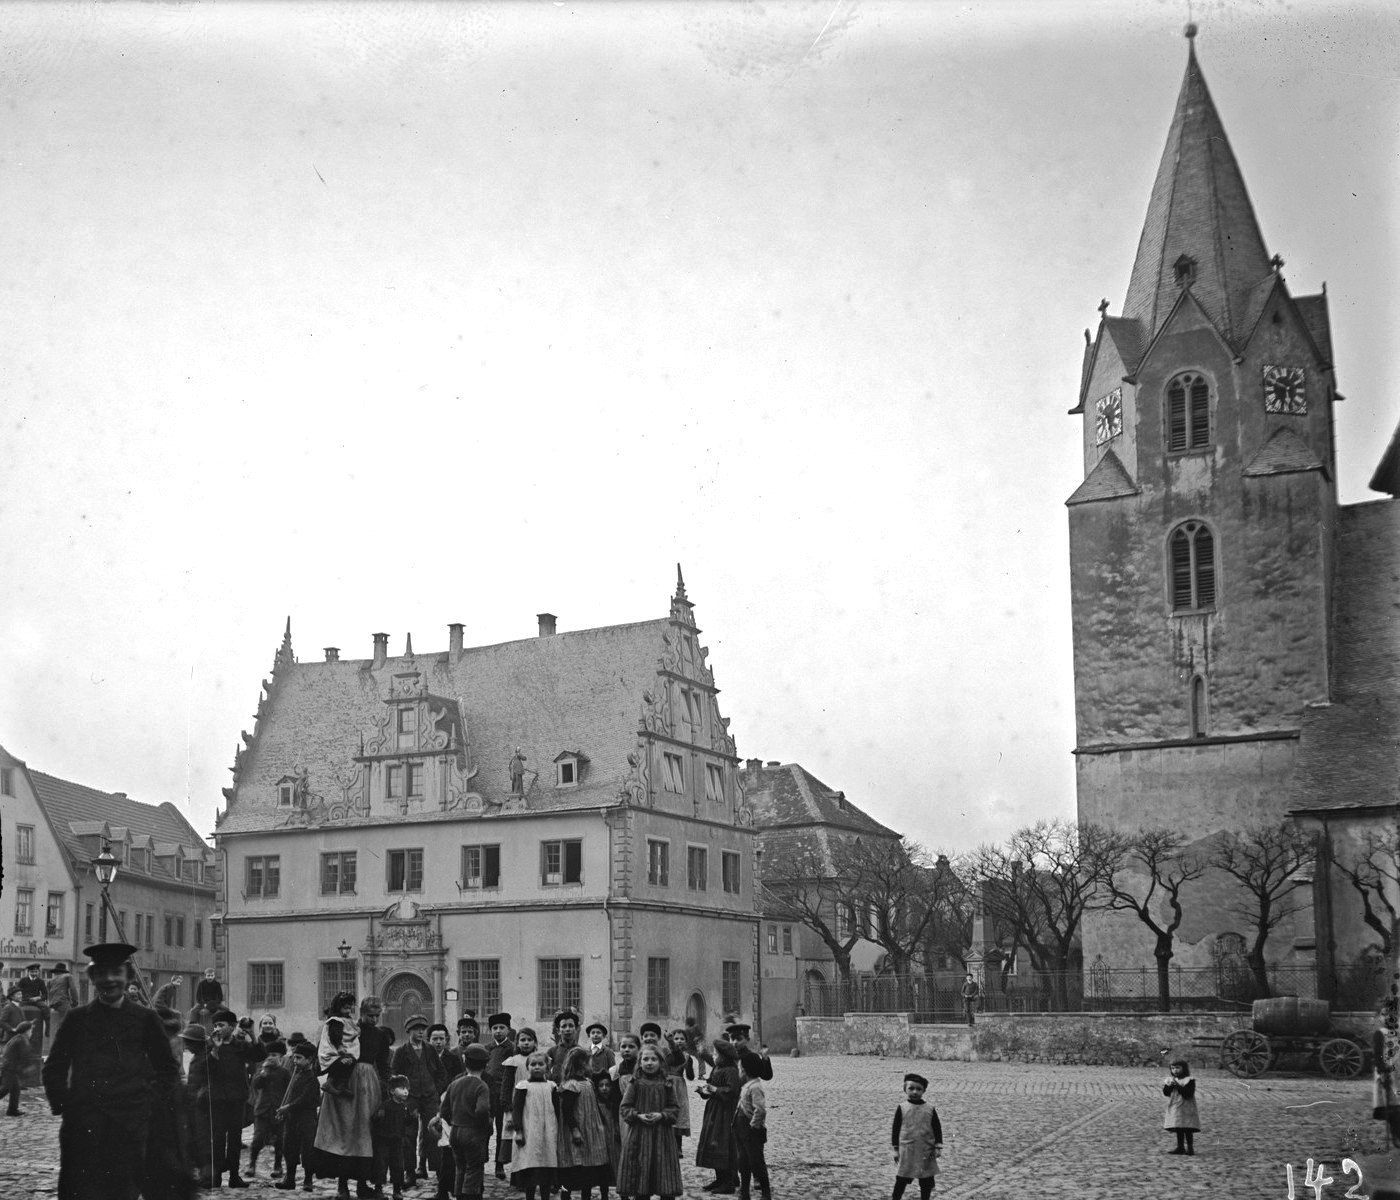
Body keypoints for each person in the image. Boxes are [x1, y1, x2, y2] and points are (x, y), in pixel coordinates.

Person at [41, 942, 181, 1200]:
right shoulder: (77, 1018)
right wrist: (64, 1105)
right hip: (83, 1126)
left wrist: (146, 1104)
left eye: (116, 972)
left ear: (127, 977)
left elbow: (168, 1069)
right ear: (93, 977)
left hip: (128, 1126)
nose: (109, 980)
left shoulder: (144, 1019)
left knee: (121, 1191)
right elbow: (54, 1066)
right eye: (102, 973)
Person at [315, 993, 392, 1200]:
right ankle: (342, 1186)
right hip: (345, 1083)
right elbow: (332, 1047)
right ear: (362, 1012)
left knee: (364, 1133)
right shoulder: (349, 1028)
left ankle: (361, 1185)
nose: (373, 1020)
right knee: (344, 1132)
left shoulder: (380, 1035)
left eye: (377, 1016)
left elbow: (384, 1065)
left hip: (368, 1086)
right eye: (369, 1015)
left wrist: (385, 1089)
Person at [191, 1008, 256, 1188]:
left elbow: (258, 1056)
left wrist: (253, 1038)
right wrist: (215, 1051)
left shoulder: (240, 1045)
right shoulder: (209, 1045)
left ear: (233, 1026)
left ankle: (235, 1176)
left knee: (235, 1138)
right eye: (216, 1025)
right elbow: (202, 1069)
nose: (218, 1028)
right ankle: (217, 1176)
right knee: (218, 1138)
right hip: (217, 1099)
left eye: (222, 1025)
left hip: (237, 1098)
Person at [618, 1043, 682, 1200]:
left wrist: (662, 1115)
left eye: (654, 1059)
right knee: (641, 1181)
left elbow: (674, 1108)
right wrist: (638, 1116)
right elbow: (625, 1108)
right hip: (639, 1138)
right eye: (645, 1059)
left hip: (663, 1138)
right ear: (640, 1063)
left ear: (660, 1062)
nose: (649, 1062)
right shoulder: (635, 1083)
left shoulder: (667, 1084)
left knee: (665, 1180)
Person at [390, 1013, 445, 1187]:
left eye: (423, 1029)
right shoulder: (401, 1052)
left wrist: (436, 1091)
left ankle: (438, 1171)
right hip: (410, 1099)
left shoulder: (429, 1050)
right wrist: (402, 1096)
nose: (420, 1032)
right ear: (408, 1031)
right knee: (409, 1136)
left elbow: (441, 1073)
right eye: (416, 1029)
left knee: (433, 1133)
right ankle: (410, 1172)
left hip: (429, 1098)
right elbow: (394, 1076)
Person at [436, 1043, 492, 1200]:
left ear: (465, 1062)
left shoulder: (455, 1083)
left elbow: (444, 1110)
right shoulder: (482, 1086)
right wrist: (484, 1125)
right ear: (486, 1065)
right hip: (473, 1132)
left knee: (460, 1167)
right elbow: (482, 1110)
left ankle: (458, 1194)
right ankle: (470, 1196)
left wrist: (454, 1121)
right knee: (474, 1168)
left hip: (456, 1131)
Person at [556, 1045, 612, 1200]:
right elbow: (567, 1110)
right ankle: (565, 1194)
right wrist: (574, 1130)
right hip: (578, 1131)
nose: (590, 1065)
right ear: (580, 1064)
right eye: (588, 1062)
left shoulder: (588, 1082)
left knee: (590, 1167)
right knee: (573, 1168)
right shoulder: (571, 1085)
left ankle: (586, 1196)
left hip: (591, 1131)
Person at [510, 1050, 559, 1200]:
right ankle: (529, 1196)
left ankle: (545, 1196)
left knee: (546, 1165)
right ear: (527, 1067)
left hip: (548, 1133)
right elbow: (516, 1110)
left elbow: (557, 1110)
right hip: (529, 1131)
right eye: (533, 1064)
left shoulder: (551, 1086)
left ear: (547, 1067)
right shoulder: (523, 1086)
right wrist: (518, 1131)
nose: (537, 1067)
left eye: (540, 1064)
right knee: (530, 1167)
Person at [696, 1038, 740, 1193]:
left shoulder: (731, 1071)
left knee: (723, 1144)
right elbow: (711, 1085)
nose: (713, 1057)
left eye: (716, 1054)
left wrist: (715, 1090)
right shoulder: (716, 1069)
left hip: (725, 1114)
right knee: (713, 1144)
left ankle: (729, 1182)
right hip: (713, 1112)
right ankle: (720, 1178)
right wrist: (704, 1091)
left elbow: (733, 1091)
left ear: (724, 1056)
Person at [277, 1039, 322, 1192]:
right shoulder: (295, 1076)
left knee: (307, 1151)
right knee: (289, 1148)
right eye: (294, 1057)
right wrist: (285, 1111)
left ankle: (308, 1181)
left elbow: (305, 1099)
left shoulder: (312, 1079)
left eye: (299, 1058)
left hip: (306, 1120)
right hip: (292, 1119)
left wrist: (287, 1107)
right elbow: (289, 1095)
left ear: (309, 1060)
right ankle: (289, 1179)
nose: (294, 1061)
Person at [892, 1072, 942, 1200]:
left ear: (924, 1091)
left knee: (926, 1179)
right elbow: (896, 1129)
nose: (915, 1092)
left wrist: (938, 1146)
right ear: (905, 1090)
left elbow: (937, 1127)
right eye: (911, 1088)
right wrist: (896, 1149)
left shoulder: (930, 1108)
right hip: (908, 1149)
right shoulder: (902, 1108)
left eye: (919, 1089)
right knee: (902, 1178)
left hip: (926, 1149)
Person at [248, 1038, 291, 1180]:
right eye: (269, 1055)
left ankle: (278, 1166)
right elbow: (255, 1085)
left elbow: (289, 1091)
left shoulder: (285, 1073)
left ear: (281, 1057)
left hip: (278, 1111)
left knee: (279, 1141)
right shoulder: (262, 1071)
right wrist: (263, 1074)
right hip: (262, 1110)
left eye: (275, 1055)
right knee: (258, 1139)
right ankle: (251, 1164)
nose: (271, 1058)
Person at [733, 1050, 771, 1200]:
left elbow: (760, 1110)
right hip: (741, 1129)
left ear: (746, 1071)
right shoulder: (747, 1085)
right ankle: (744, 1192)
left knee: (756, 1162)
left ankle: (766, 1193)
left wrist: (754, 1126)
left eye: (740, 1069)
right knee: (743, 1162)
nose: (739, 1072)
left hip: (751, 1131)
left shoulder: (755, 1087)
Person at [483, 1011, 515, 1178]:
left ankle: (499, 1164)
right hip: (489, 1094)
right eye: (495, 1028)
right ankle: (481, 1160)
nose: (498, 1031)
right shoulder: (487, 1049)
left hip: (505, 1095)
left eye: (502, 1028)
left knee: (503, 1130)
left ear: (508, 1030)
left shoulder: (512, 1048)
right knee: (486, 1128)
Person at [372, 1074, 412, 1200]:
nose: (406, 1091)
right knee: (381, 1165)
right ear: (392, 1091)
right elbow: (374, 1119)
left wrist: (412, 1117)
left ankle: (397, 1190)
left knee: (398, 1166)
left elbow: (407, 1122)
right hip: (383, 1140)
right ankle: (378, 1189)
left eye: (407, 1088)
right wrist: (378, 1116)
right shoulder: (385, 1105)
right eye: (402, 1088)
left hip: (397, 1141)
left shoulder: (405, 1107)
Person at [1373, 971, 1400, 1149]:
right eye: (1384, 1014)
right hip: (1387, 1074)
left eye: (1390, 1014)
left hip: (1399, 1072)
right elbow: (1378, 1056)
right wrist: (1383, 1072)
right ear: (1380, 1017)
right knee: (1392, 1107)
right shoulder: (1379, 1034)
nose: (1387, 1017)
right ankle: (1396, 1135)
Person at [663, 1028, 695, 1152]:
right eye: (676, 1038)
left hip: (679, 1087)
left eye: (682, 1039)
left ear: (686, 1042)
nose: (679, 1041)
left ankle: (678, 1147)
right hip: (666, 1085)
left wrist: (689, 1067)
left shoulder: (687, 1057)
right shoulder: (666, 1053)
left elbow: (690, 1077)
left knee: (679, 1115)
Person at [1, 1018, 38, 1116]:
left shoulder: (17, 1038)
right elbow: (25, 1056)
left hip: (9, 1067)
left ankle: (12, 1110)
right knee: (5, 1089)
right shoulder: (22, 1040)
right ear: (26, 1031)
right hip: (10, 1068)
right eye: (31, 1030)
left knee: (15, 1089)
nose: (31, 1032)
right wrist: (27, 1068)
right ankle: (12, 1110)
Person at [1162, 1058, 1199, 1156]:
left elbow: (1188, 1093)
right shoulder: (1171, 1080)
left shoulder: (1189, 1080)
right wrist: (1169, 1085)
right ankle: (1180, 1146)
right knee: (1178, 1127)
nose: (1175, 1070)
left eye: (1177, 1068)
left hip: (1186, 1106)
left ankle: (1190, 1147)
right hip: (1175, 1106)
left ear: (1184, 1068)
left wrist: (1177, 1086)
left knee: (1187, 1127)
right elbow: (1166, 1093)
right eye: (1173, 1068)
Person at [47, 962, 81, 1046]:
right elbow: (73, 989)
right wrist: (75, 1002)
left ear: (56, 972)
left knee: (59, 1026)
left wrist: (51, 1004)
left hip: (53, 1004)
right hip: (63, 1002)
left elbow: (49, 993)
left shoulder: (51, 980)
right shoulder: (68, 976)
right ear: (64, 971)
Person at [17, 963, 48, 1051]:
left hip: (37, 1001)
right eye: (32, 972)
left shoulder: (40, 981)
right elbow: (18, 991)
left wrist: (39, 997)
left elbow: (45, 995)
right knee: (18, 1010)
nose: (34, 973)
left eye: (36, 971)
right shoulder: (23, 980)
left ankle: (47, 1029)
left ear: (38, 972)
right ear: (28, 972)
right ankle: (18, 1027)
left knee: (46, 1009)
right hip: (25, 1000)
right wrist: (27, 998)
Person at [548, 1007, 583, 1082]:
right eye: (564, 1026)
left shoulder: (582, 1052)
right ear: (558, 1031)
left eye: (571, 1026)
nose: (567, 1029)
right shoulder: (552, 1051)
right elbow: (546, 1072)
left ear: (576, 1029)